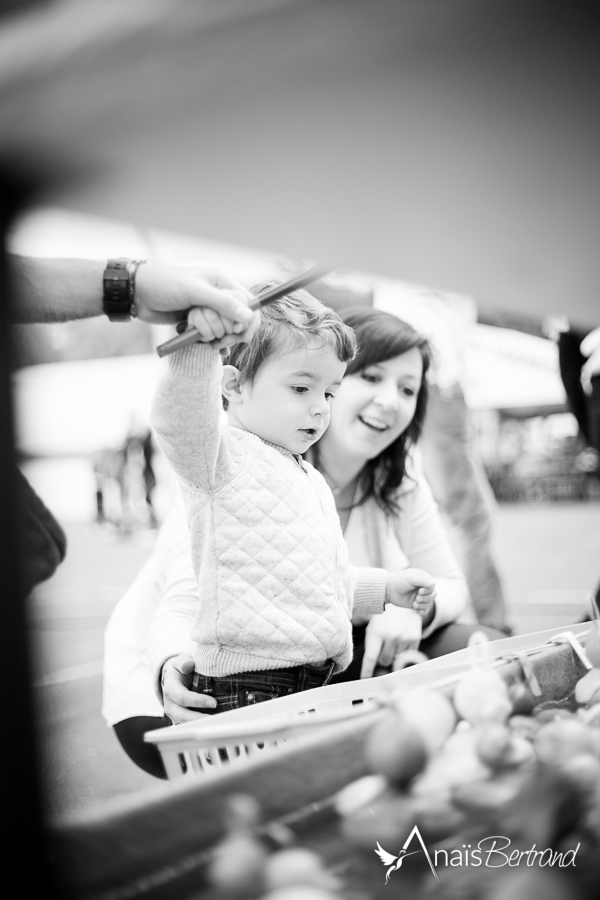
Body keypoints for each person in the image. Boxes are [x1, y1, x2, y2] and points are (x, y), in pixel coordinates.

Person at [104, 306, 507, 778]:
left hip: (303, 672)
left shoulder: (379, 477)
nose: (390, 401)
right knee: (272, 781)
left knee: (483, 649)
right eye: (372, 377)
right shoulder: (229, 463)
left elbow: (434, 582)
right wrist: (170, 665)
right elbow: (185, 601)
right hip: (179, 683)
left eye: (408, 389)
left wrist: (402, 605)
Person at [147, 290, 438, 717]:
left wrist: (386, 590)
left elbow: (314, 581)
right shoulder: (219, 460)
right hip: (249, 687)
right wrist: (197, 347)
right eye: (302, 387)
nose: (319, 408)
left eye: (329, 393)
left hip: (312, 680)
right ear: (233, 386)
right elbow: (179, 418)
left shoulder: (305, 476)